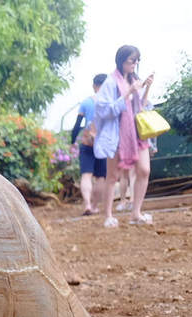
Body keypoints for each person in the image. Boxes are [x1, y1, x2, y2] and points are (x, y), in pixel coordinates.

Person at [94, 45, 154, 228]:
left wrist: (147, 88)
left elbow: (142, 107)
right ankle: (108, 215)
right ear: (121, 61)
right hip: (117, 134)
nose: (135, 64)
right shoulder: (111, 83)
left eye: (137, 61)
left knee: (144, 170)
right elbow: (104, 110)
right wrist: (128, 93)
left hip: (137, 133)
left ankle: (136, 213)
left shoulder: (135, 79)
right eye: (131, 60)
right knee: (112, 176)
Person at [70, 73, 107, 216]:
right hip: (102, 143)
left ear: (94, 86)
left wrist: (72, 141)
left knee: (86, 175)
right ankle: (95, 205)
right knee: (101, 177)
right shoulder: (109, 103)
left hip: (87, 143)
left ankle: (87, 205)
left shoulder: (86, 103)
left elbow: (77, 125)